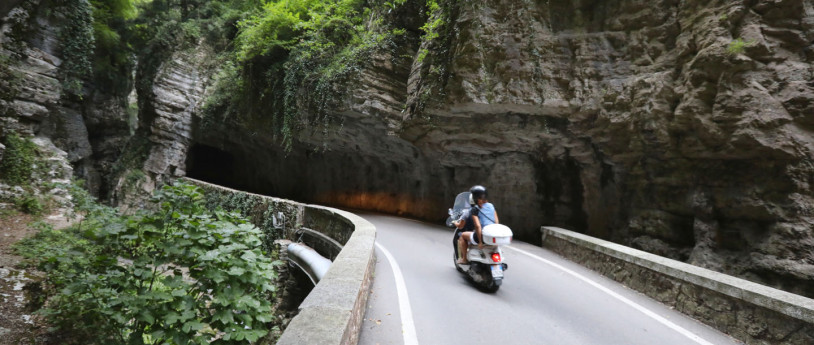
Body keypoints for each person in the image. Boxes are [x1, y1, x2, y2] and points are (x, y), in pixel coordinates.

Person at [457, 185, 499, 264]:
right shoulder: (492, 206)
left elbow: (477, 226)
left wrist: (480, 242)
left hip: (483, 236)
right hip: (492, 235)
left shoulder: (475, 209)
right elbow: (496, 222)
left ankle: (464, 259)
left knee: (462, 236)